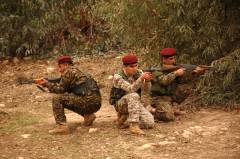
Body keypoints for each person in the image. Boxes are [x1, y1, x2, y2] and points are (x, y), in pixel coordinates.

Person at [36, 55, 101, 134]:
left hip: (88, 101)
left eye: (60, 67)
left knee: (57, 98)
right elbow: (63, 84)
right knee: (70, 97)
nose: (59, 70)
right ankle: (88, 116)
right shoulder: (79, 71)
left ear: (66, 65)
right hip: (96, 103)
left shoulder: (69, 71)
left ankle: (62, 127)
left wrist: (47, 84)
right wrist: (48, 82)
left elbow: (60, 90)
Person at [150, 48, 205, 122]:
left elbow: (183, 81)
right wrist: (176, 73)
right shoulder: (156, 69)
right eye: (171, 59)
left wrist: (195, 73)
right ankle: (152, 110)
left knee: (186, 88)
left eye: (173, 58)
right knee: (169, 117)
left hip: (170, 96)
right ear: (164, 59)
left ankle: (173, 107)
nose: (173, 61)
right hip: (159, 98)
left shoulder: (175, 67)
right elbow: (164, 81)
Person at [109, 53, 154, 135]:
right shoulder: (118, 77)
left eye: (136, 65)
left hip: (134, 103)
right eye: (131, 66)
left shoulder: (138, 73)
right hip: (120, 104)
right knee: (133, 95)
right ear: (124, 66)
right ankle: (133, 125)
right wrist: (141, 79)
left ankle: (123, 121)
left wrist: (147, 81)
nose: (134, 68)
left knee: (149, 122)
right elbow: (131, 89)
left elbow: (146, 91)